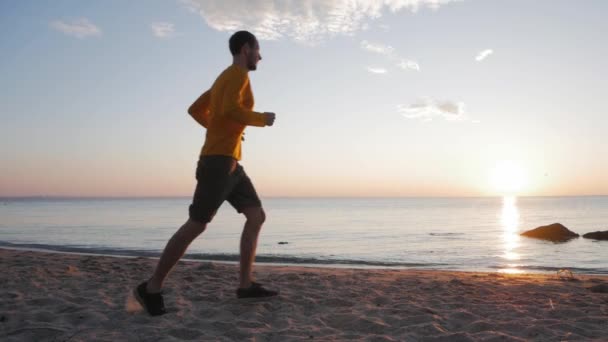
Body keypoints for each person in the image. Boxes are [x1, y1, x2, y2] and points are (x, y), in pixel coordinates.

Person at [134, 30, 278, 316]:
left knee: (256, 215)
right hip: (217, 163)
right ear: (246, 48)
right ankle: (150, 288)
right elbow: (228, 109)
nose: (260, 56)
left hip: (232, 164)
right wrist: (261, 119)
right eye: (257, 49)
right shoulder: (237, 75)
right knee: (197, 224)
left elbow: (196, 110)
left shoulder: (222, 79)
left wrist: (220, 130)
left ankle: (245, 285)